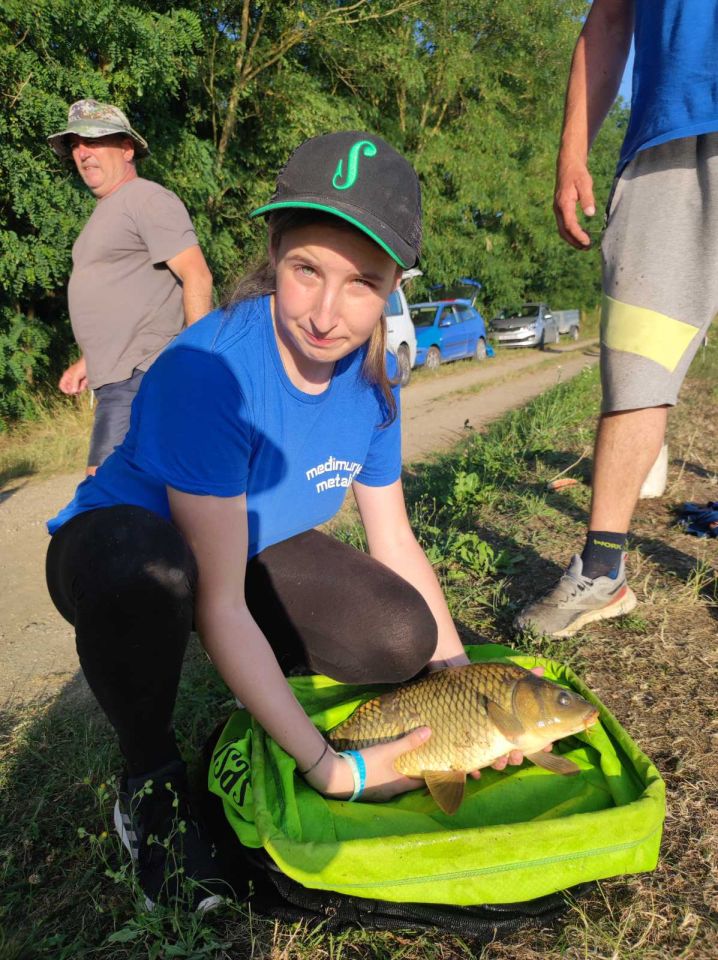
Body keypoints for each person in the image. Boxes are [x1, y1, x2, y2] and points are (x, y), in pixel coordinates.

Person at [46, 131, 547, 910]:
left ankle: (266, 685)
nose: (324, 312)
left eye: (361, 284)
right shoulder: (207, 371)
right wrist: (330, 767)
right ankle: (149, 783)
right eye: (306, 268)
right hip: (123, 546)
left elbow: (395, 540)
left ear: (392, 289)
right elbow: (218, 601)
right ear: (274, 250)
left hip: (244, 549)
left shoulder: (376, 383)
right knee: (142, 567)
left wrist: (460, 677)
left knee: (402, 637)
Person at [516, 0, 718, 637]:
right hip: (669, 135)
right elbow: (608, 21)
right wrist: (572, 150)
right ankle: (602, 571)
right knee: (636, 361)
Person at [48, 99, 214, 474]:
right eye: (75, 144)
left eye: (94, 141)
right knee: (129, 499)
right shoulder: (109, 209)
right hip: (118, 377)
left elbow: (197, 274)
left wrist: (195, 360)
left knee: (107, 496)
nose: (82, 152)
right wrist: (89, 360)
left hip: (141, 376)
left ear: (126, 148)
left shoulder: (146, 198)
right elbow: (131, 298)